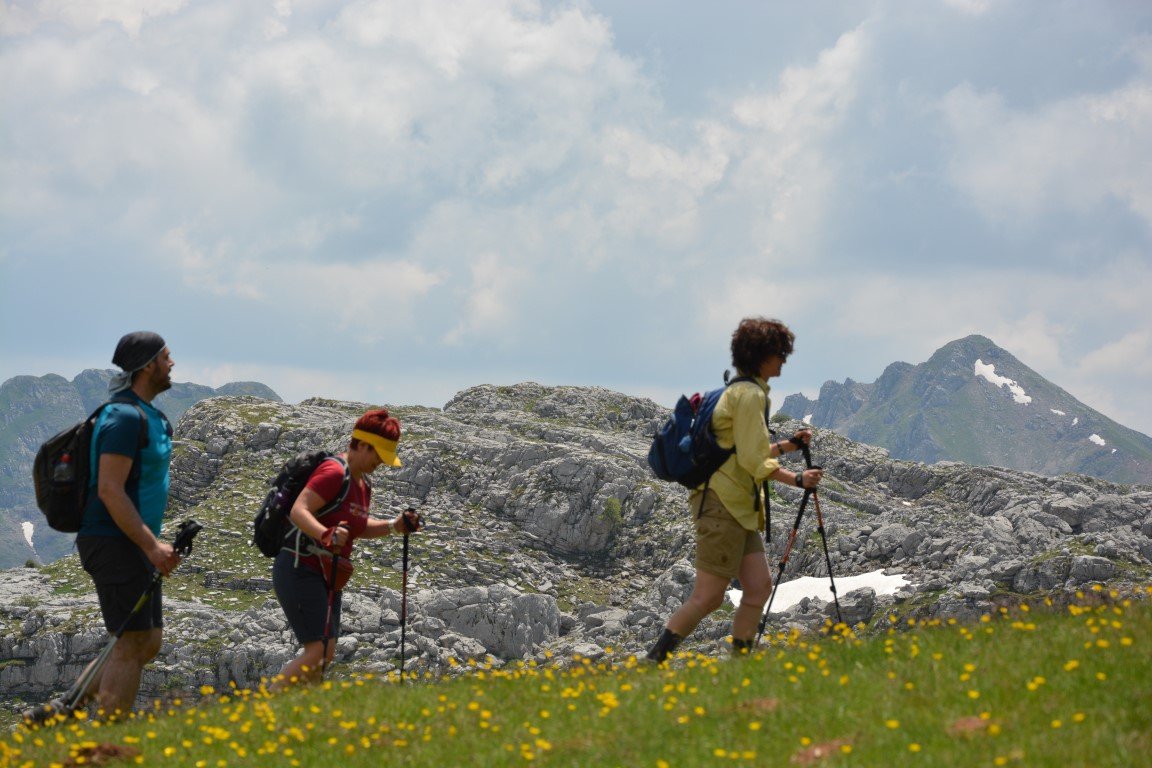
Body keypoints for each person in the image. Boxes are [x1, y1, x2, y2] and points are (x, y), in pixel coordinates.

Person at [646, 317, 823, 663]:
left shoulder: (738, 392)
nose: (784, 360)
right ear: (762, 355)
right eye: (780, 353)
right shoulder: (749, 396)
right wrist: (799, 480)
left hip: (736, 508)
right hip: (723, 506)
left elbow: (742, 453)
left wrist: (787, 446)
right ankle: (654, 660)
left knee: (758, 588)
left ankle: (740, 668)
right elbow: (756, 463)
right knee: (708, 597)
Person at [272, 408, 422, 688]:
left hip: (328, 576)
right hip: (299, 567)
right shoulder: (333, 472)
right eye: (378, 455)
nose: (381, 463)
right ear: (362, 445)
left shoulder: (363, 484)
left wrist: (394, 525)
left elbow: (358, 528)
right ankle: (263, 709)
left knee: (325, 654)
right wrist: (325, 534)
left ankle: (298, 718)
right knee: (317, 652)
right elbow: (298, 510)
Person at [74, 331, 180, 716]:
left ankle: (67, 707)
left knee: (147, 640)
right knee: (133, 640)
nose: (172, 364)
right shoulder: (121, 417)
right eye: (166, 357)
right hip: (112, 538)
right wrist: (152, 546)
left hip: (133, 541)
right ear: (147, 364)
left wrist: (150, 543)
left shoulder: (152, 417)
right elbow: (110, 489)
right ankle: (106, 742)